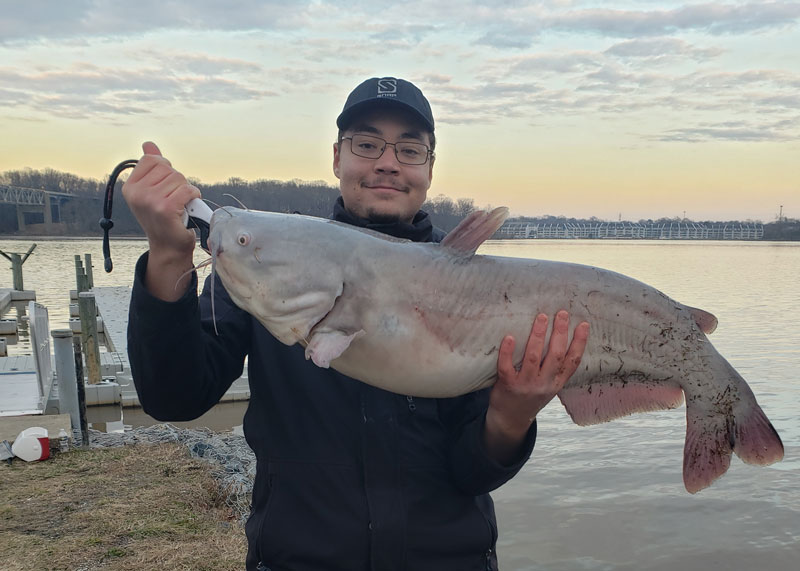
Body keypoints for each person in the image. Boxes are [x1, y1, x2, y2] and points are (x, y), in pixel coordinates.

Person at [122, 76, 589, 571]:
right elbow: (173, 397)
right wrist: (169, 257)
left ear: (430, 169)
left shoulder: (480, 289)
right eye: (366, 144)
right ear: (337, 158)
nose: (387, 162)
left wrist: (512, 416)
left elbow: (471, 473)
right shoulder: (262, 267)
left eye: (410, 149)